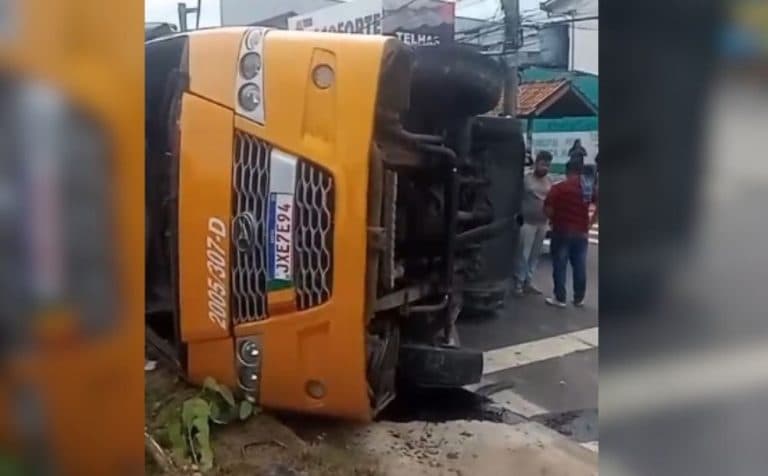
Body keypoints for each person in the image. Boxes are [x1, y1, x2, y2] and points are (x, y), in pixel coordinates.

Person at [543, 160, 598, 308]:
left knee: (560, 265)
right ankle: (579, 298)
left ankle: (560, 298)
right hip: (581, 234)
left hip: (562, 232)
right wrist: (591, 222)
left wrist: (553, 220)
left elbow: (548, 208)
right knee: (579, 265)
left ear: (567, 172)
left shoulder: (559, 188)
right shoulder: (587, 189)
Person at [514, 150, 553, 296]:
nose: (545, 168)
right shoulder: (526, 179)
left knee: (535, 254)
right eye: (543, 164)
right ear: (536, 163)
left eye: (548, 165)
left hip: (542, 223)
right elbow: (517, 197)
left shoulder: (549, 181)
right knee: (523, 254)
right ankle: (519, 282)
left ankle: (528, 281)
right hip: (528, 222)